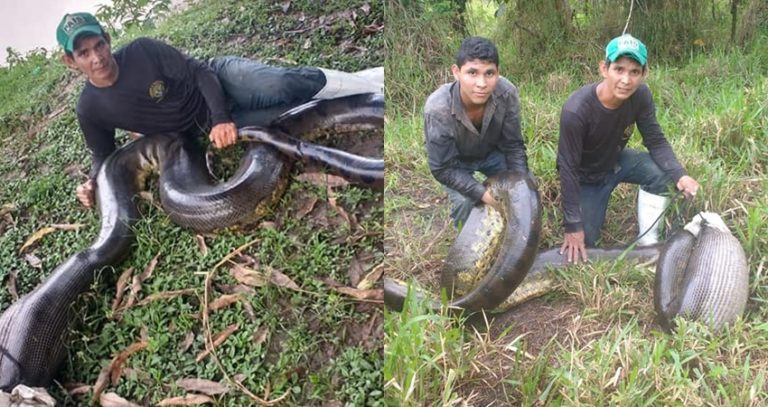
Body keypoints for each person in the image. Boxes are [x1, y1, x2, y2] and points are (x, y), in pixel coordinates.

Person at [56, 12, 383, 208]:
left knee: (280, 85)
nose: (97, 57)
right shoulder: (90, 109)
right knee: (299, 112)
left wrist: (220, 118)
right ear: (70, 62)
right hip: (204, 128)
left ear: (108, 38)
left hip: (220, 82)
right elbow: (104, 155)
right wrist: (93, 182)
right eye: (84, 53)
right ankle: (361, 90)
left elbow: (200, 73)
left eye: (99, 44)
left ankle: (371, 82)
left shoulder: (142, 50)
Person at [557, 33, 700, 263]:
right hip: (586, 177)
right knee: (585, 244)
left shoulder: (641, 96)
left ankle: (649, 244)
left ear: (644, 74)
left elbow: (655, 139)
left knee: (665, 175)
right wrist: (572, 224)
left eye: (634, 72)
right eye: (619, 69)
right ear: (604, 69)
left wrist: (680, 174)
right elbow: (568, 168)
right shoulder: (576, 110)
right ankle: (588, 212)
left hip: (616, 162)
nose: (626, 80)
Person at [423, 36, 529, 229]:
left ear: (498, 73)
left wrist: (521, 185)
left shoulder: (506, 93)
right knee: (466, 202)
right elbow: (441, 168)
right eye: (472, 73)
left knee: (524, 189)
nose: (482, 83)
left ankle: (513, 230)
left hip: (492, 153)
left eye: (489, 73)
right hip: (455, 163)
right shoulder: (438, 109)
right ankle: (466, 245)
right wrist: (481, 194)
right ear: (456, 72)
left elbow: (513, 146)